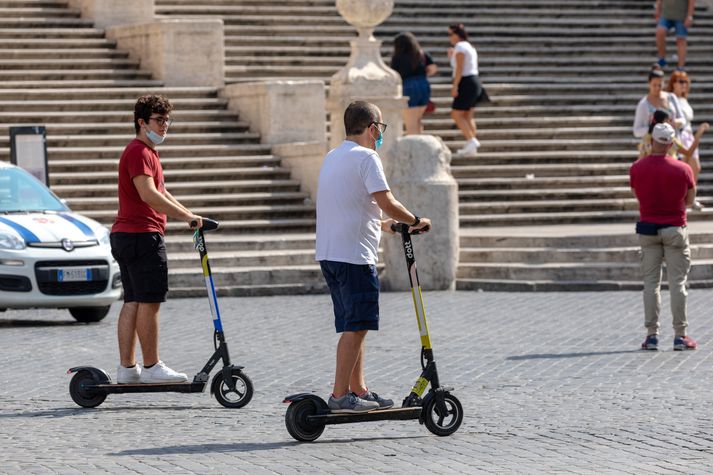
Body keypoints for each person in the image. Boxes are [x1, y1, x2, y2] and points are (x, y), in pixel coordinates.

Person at [316, 101, 432, 413]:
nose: (379, 135)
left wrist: (384, 226)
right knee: (357, 327)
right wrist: (414, 220)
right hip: (354, 257)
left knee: (354, 325)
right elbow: (387, 201)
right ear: (372, 128)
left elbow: (349, 205)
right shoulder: (367, 157)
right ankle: (340, 396)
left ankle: (358, 390)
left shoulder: (333, 156)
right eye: (379, 129)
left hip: (331, 254)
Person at [110, 95, 203, 384]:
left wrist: (191, 214)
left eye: (167, 121)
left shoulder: (146, 152)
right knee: (149, 301)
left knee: (134, 300)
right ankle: (151, 367)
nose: (165, 126)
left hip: (127, 235)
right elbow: (149, 195)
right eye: (159, 120)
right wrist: (186, 218)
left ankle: (127, 369)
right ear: (141, 122)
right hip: (141, 235)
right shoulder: (139, 152)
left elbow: (162, 191)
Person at [630, 122, 697, 351]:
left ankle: (651, 335)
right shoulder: (683, 169)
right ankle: (680, 335)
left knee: (651, 284)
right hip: (675, 228)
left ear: (651, 141)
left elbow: (636, 194)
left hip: (648, 229)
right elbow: (689, 201)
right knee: (678, 283)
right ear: (670, 144)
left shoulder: (637, 168)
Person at [666, 70, 706, 208]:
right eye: (680, 81)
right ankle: (680, 198)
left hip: (688, 134)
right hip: (679, 135)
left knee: (696, 167)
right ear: (673, 83)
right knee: (683, 167)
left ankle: (690, 197)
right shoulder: (670, 98)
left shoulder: (684, 99)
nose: (684, 85)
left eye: (685, 82)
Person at [390, 32, 438, 135]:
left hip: (408, 86)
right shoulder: (422, 54)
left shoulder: (398, 57)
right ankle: (420, 147)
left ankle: (414, 150)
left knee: (410, 124)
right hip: (423, 84)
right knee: (418, 121)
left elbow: (394, 75)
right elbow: (433, 69)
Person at [447, 23, 484, 156]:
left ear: (457, 34)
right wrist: (452, 57)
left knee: (456, 114)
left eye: (451, 34)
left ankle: (471, 140)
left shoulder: (461, 46)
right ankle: (471, 146)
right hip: (474, 80)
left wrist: (455, 85)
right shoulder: (469, 46)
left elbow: (460, 69)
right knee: (468, 116)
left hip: (466, 82)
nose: (449, 37)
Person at [633, 65, 684, 140]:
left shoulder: (671, 97)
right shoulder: (643, 104)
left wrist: (675, 122)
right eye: (654, 85)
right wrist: (655, 127)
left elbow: (683, 120)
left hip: (673, 144)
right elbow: (636, 131)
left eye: (660, 85)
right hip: (654, 147)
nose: (657, 88)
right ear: (649, 84)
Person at [655, 0, 696, 70]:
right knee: (660, 32)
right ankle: (662, 59)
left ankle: (680, 67)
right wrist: (657, 10)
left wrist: (690, 16)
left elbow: (691, 1)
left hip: (681, 16)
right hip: (666, 15)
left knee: (681, 39)